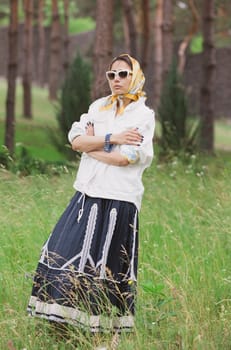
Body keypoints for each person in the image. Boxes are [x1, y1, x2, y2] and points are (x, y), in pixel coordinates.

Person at [27, 54, 155, 334]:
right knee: (66, 252)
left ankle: (104, 332)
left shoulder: (143, 116)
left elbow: (126, 159)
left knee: (107, 267)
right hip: (86, 194)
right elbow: (75, 139)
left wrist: (92, 146)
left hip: (119, 200)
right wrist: (112, 139)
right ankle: (64, 326)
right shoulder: (98, 107)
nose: (116, 80)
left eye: (123, 74)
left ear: (135, 76)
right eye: (111, 75)